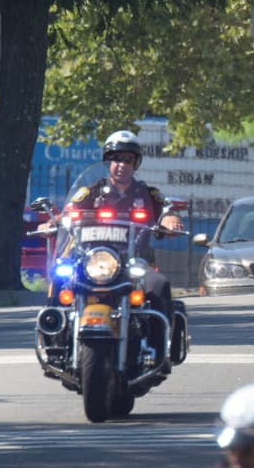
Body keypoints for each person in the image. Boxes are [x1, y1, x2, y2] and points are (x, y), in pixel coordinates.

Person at [65, 130, 184, 366]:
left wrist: (169, 220)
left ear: (135, 164)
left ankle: (158, 351)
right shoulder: (91, 192)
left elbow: (165, 213)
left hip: (135, 263)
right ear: (108, 161)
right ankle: (56, 338)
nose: (121, 165)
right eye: (116, 159)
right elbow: (69, 213)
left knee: (158, 285)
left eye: (128, 160)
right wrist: (55, 221)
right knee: (60, 280)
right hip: (94, 263)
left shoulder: (148, 195)